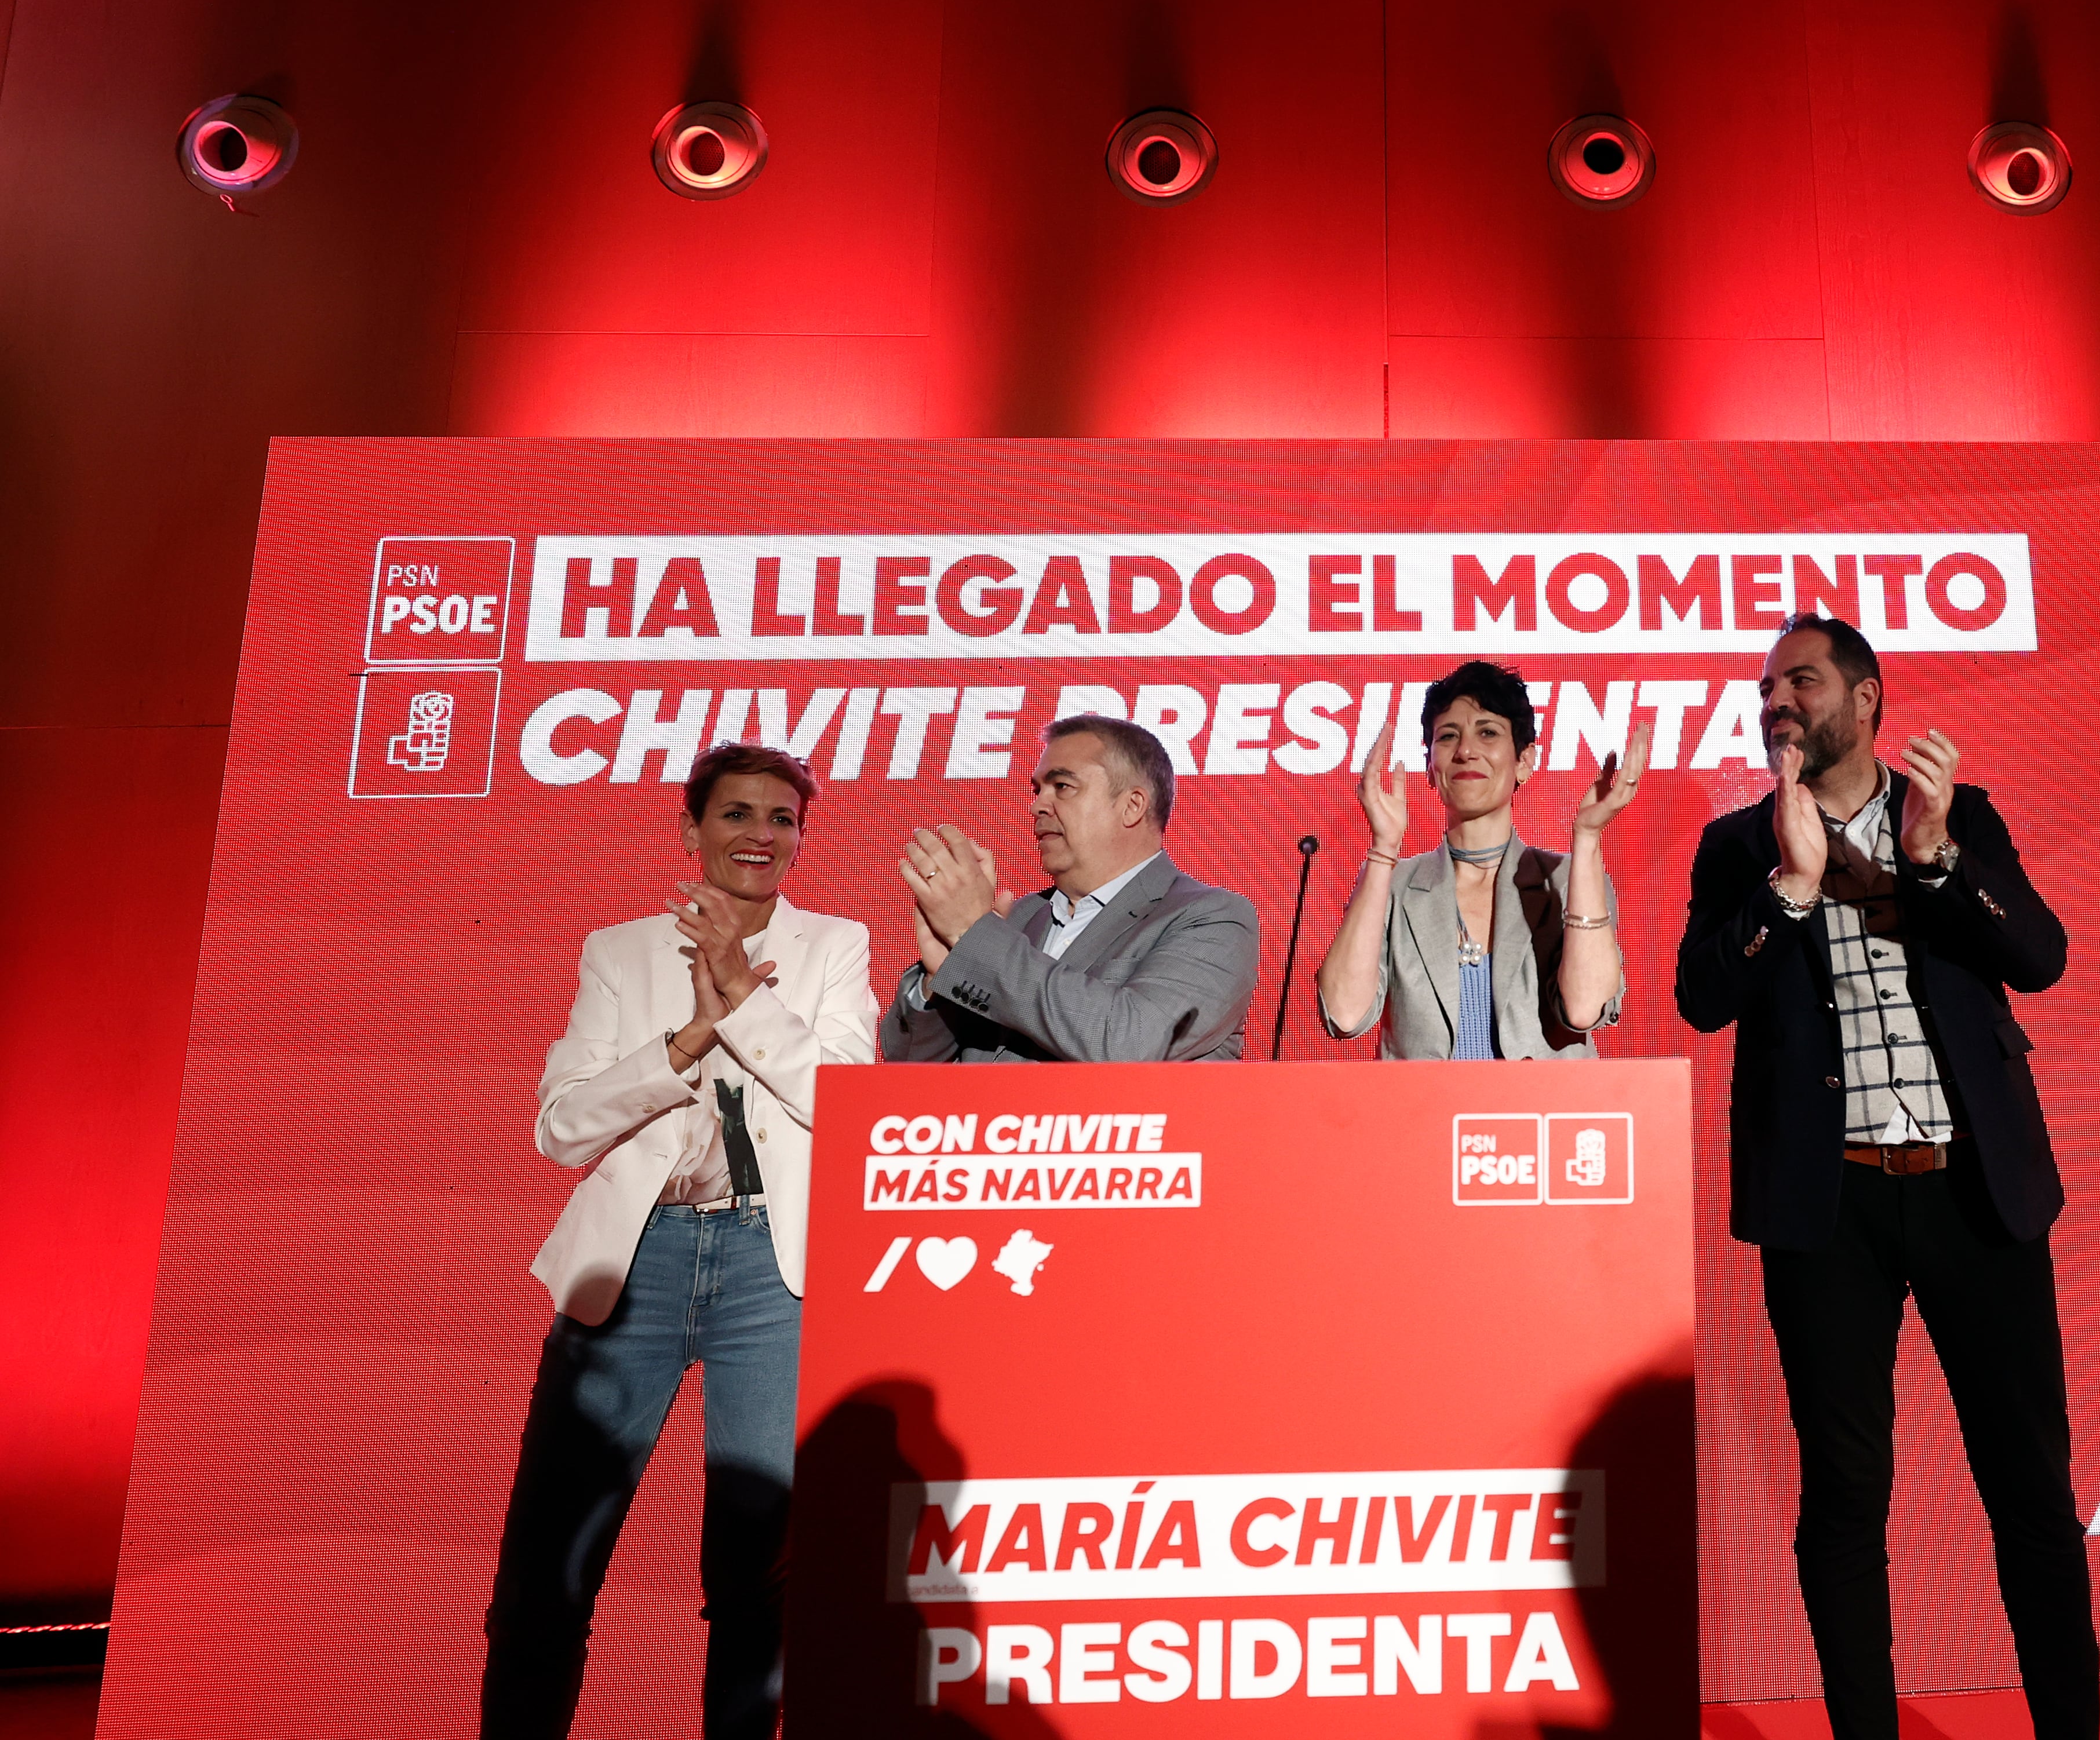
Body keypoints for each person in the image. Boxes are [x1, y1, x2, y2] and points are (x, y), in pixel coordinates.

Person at [1674, 615, 2098, 1740]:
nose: (1776, 701)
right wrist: (1788, 889)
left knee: (2030, 1495)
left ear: (1864, 700)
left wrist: (1938, 858)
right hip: (1828, 1210)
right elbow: (1700, 997)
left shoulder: (1954, 818)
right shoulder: (1735, 848)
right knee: (1844, 1498)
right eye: (1765, 687)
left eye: (1799, 681)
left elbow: (2039, 957)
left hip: (1975, 1194)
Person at [482, 743, 879, 1740]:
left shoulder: (833, 946)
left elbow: (850, 1105)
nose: (760, 836)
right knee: (551, 1566)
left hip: (769, 1265)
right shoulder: (620, 953)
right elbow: (562, 1127)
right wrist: (685, 1043)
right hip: (638, 1262)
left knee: (756, 1575)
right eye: (738, 814)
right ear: (692, 829)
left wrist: (744, 998)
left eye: (782, 819)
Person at [881, 713, 1259, 1063]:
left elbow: (1130, 1042)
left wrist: (973, 935)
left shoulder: (1212, 919)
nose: (1037, 806)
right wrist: (938, 980)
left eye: (1062, 786)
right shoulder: (1014, 921)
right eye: (1037, 789)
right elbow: (907, 1066)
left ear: (1133, 806)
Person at [1316, 659, 1646, 1058]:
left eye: (1487, 733)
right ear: (1430, 765)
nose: (1466, 752)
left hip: (1544, 1117)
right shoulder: (1396, 884)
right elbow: (1344, 1015)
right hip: (1425, 1116)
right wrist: (1384, 848)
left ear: (1524, 761)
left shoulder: (1564, 879)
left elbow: (1584, 1009)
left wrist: (1588, 839)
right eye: (1448, 737)